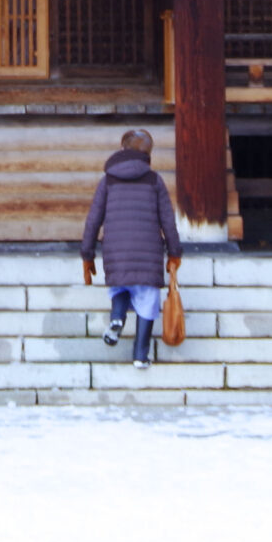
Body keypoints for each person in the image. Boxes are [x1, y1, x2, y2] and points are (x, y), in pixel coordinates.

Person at [80, 127, 182, 368]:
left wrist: (87, 254)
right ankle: (140, 355)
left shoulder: (108, 181)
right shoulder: (154, 180)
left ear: (122, 149)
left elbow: (93, 220)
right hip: (148, 251)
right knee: (146, 300)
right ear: (149, 153)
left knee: (121, 286)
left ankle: (117, 317)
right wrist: (174, 252)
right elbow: (168, 220)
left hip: (116, 251)